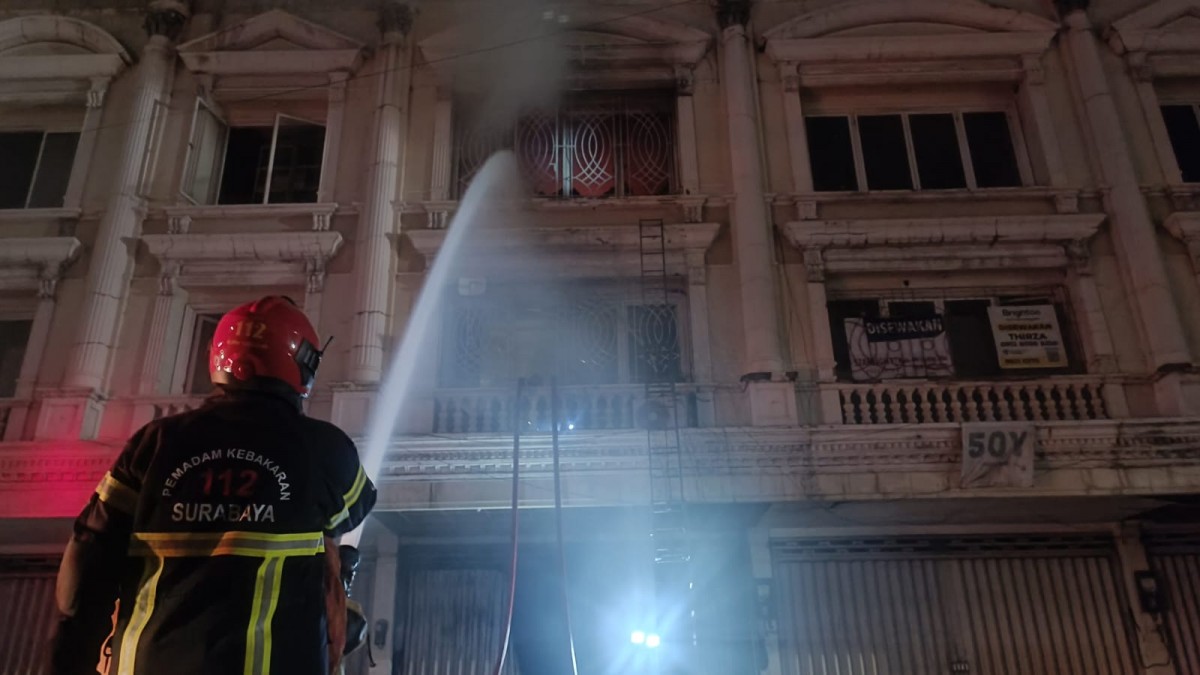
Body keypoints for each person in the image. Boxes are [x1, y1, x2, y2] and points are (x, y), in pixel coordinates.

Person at [49, 296, 377, 675]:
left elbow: (86, 567)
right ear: (303, 364)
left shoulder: (154, 443)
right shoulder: (323, 449)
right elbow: (354, 508)